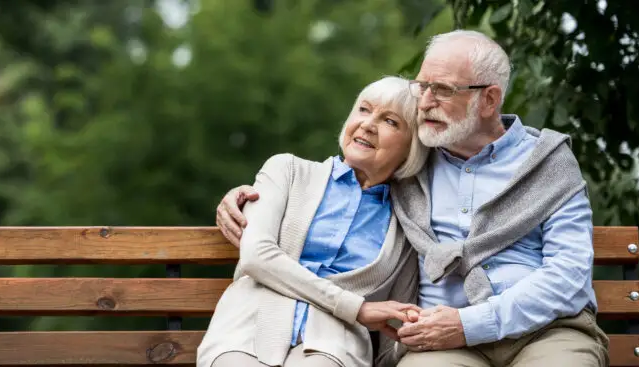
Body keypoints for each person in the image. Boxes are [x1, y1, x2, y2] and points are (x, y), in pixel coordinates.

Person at [214, 30, 609, 367]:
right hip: (440, 340)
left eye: (442, 90)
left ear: (489, 100)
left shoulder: (548, 162)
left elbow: (569, 275)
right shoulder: (413, 163)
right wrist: (249, 197)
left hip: (546, 331)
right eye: (422, 86)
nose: (424, 101)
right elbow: (349, 174)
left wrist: (470, 323)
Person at [197, 76, 430, 367]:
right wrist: (357, 308)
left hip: (334, 347)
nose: (368, 124)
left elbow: (394, 330)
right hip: (248, 327)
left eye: (390, 121)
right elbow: (257, 256)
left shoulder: (406, 222)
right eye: (364, 109)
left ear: (412, 147)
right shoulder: (287, 171)